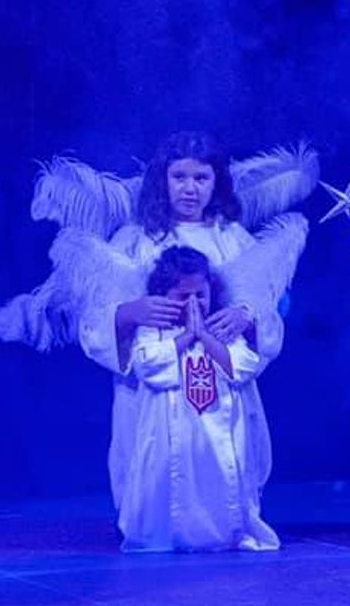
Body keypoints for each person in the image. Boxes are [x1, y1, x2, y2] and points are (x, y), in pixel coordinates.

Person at [76, 132, 286, 514]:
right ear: (163, 180)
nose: (190, 189)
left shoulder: (235, 241)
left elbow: (269, 308)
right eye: (180, 177)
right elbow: (93, 319)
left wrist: (247, 315)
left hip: (220, 388)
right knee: (157, 473)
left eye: (201, 178)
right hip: (153, 389)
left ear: (216, 182)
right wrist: (128, 313)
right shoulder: (133, 240)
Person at [119, 245, 278, 551]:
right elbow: (147, 365)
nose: (193, 304)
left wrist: (203, 336)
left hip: (217, 436)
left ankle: (225, 533)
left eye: (200, 296)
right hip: (170, 435)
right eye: (183, 297)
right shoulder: (154, 332)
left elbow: (241, 367)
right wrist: (185, 338)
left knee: (218, 483)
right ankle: (166, 535)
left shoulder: (223, 330)